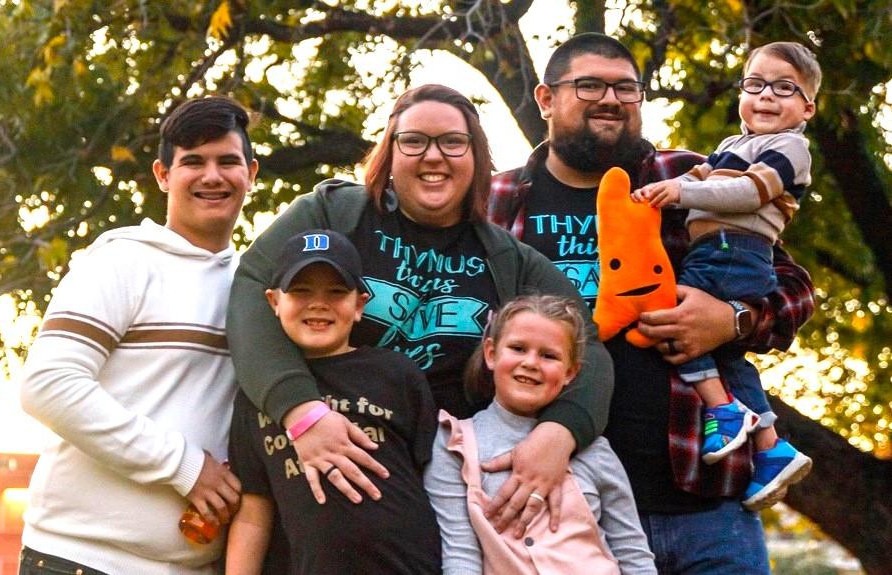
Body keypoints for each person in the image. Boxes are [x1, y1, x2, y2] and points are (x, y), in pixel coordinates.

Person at [488, 33, 815, 573]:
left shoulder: (689, 178)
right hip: (566, 506)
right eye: (588, 85)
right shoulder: (497, 199)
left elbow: (794, 291)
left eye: (626, 88)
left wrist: (729, 320)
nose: (610, 99)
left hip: (707, 503)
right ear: (546, 99)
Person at [227, 84, 614, 538]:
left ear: (477, 157)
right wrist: (301, 411)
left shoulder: (509, 258)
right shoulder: (336, 214)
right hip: (316, 477)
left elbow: (589, 350)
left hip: (445, 498)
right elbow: (253, 288)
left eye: (453, 142)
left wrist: (558, 436)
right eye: (414, 141)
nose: (434, 156)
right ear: (389, 152)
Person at [18, 96, 257, 574]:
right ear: (163, 175)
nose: (213, 175)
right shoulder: (122, 260)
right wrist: (185, 467)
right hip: (79, 559)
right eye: (193, 162)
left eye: (228, 161)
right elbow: (47, 385)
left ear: (251, 173)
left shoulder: (256, 286)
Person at [631, 41, 819, 509]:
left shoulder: (790, 147)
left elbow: (747, 194)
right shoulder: (733, 145)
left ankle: (723, 410)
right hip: (713, 251)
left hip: (736, 251)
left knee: (670, 316)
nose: (766, 97)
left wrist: (680, 192)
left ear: (807, 107)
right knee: (728, 359)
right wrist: (659, 190)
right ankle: (771, 445)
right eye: (755, 85)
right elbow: (701, 177)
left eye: (783, 88)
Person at [225, 229, 441, 574]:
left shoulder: (397, 374)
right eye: (300, 290)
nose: (318, 303)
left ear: (359, 305)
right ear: (273, 302)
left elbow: (434, 481)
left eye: (337, 291)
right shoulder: (257, 394)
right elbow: (254, 513)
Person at [425, 295, 656, 575]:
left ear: (571, 372)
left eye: (549, 356)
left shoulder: (595, 450)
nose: (531, 363)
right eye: (518, 348)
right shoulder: (455, 443)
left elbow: (634, 553)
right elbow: (460, 556)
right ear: (491, 353)